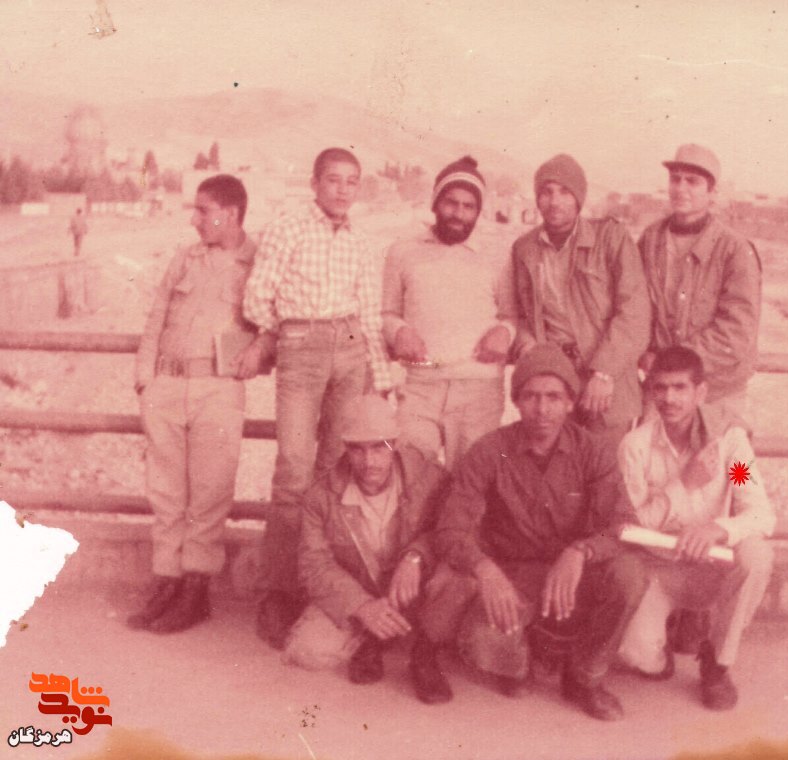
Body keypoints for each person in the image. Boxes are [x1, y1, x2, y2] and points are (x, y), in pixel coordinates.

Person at [414, 344, 647, 721]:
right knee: (487, 645)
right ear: (517, 401)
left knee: (630, 575)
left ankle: (583, 677)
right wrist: (485, 569)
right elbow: (450, 528)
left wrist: (580, 552)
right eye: (531, 397)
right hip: (512, 576)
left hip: (571, 574)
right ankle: (530, 652)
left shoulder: (593, 451)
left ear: (570, 402)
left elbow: (622, 525)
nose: (542, 409)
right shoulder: (489, 450)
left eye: (554, 397)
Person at [243, 147, 392, 649]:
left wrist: (380, 377)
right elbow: (258, 294)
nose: (343, 190)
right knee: (292, 469)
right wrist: (281, 333)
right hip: (301, 345)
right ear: (314, 183)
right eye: (333, 180)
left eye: (352, 181)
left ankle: (318, 587)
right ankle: (278, 591)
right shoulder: (289, 227)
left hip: (349, 348)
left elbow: (368, 315)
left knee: (334, 471)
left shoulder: (361, 241)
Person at [130, 174, 272, 633]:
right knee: (166, 491)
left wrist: (259, 351)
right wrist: (146, 381)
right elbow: (156, 317)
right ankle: (167, 581)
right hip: (168, 385)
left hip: (219, 388)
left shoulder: (260, 263)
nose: (194, 220)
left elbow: (274, 323)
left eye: (202, 210)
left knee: (210, 492)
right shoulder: (185, 258)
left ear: (229, 214)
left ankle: (196, 590)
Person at [616, 346, 774, 710]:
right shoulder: (635, 447)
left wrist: (717, 529)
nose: (669, 399)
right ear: (650, 391)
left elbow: (760, 512)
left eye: (680, 388)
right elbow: (632, 524)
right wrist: (683, 485)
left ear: (700, 392)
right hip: (660, 568)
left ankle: (717, 662)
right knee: (636, 654)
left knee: (757, 556)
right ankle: (666, 640)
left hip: (711, 566)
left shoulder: (729, 447)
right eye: (660, 388)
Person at [284, 396, 449, 694]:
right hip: (360, 588)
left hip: (413, 588)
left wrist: (416, 556)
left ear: (395, 443)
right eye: (357, 449)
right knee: (308, 651)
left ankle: (412, 642)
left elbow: (450, 530)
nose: (369, 461)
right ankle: (374, 632)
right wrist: (361, 605)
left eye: (379, 447)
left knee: (453, 589)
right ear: (345, 448)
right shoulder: (321, 495)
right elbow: (313, 565)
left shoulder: (430, 478)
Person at [383, 156, 515, 468]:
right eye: (451, 203)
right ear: (435, 202)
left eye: (469, 206)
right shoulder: (402, 251)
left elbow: (512, 316)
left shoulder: (498, 256)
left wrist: (504, 332)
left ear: (478, 211)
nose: (458, 213)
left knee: (473, 481)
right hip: (419, 386)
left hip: (478, 390)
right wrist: (399, 331)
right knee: (410, 473)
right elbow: (386, 312)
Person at [511, 154, 650, 443]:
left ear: (579, 198)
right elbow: (522, 314)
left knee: (604, 464)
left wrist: (604, 373)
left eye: (564, 192)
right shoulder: (524, 248)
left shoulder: (611, 238)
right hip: (555, 379)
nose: (554, 201)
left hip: (607, 380)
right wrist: (528, 346)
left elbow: (634, 312)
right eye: (546, 192)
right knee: (556, 462)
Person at [637, 144, 762, 426]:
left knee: (723, 455)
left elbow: (736, 333)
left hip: (716, 391)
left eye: (692, 181)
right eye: (675, 179)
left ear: (712, 192)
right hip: (662, 391)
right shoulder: (651, 239)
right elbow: (636, 308)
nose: (681, 188)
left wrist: (671, 361)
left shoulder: (734, 249)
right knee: (650, 453)